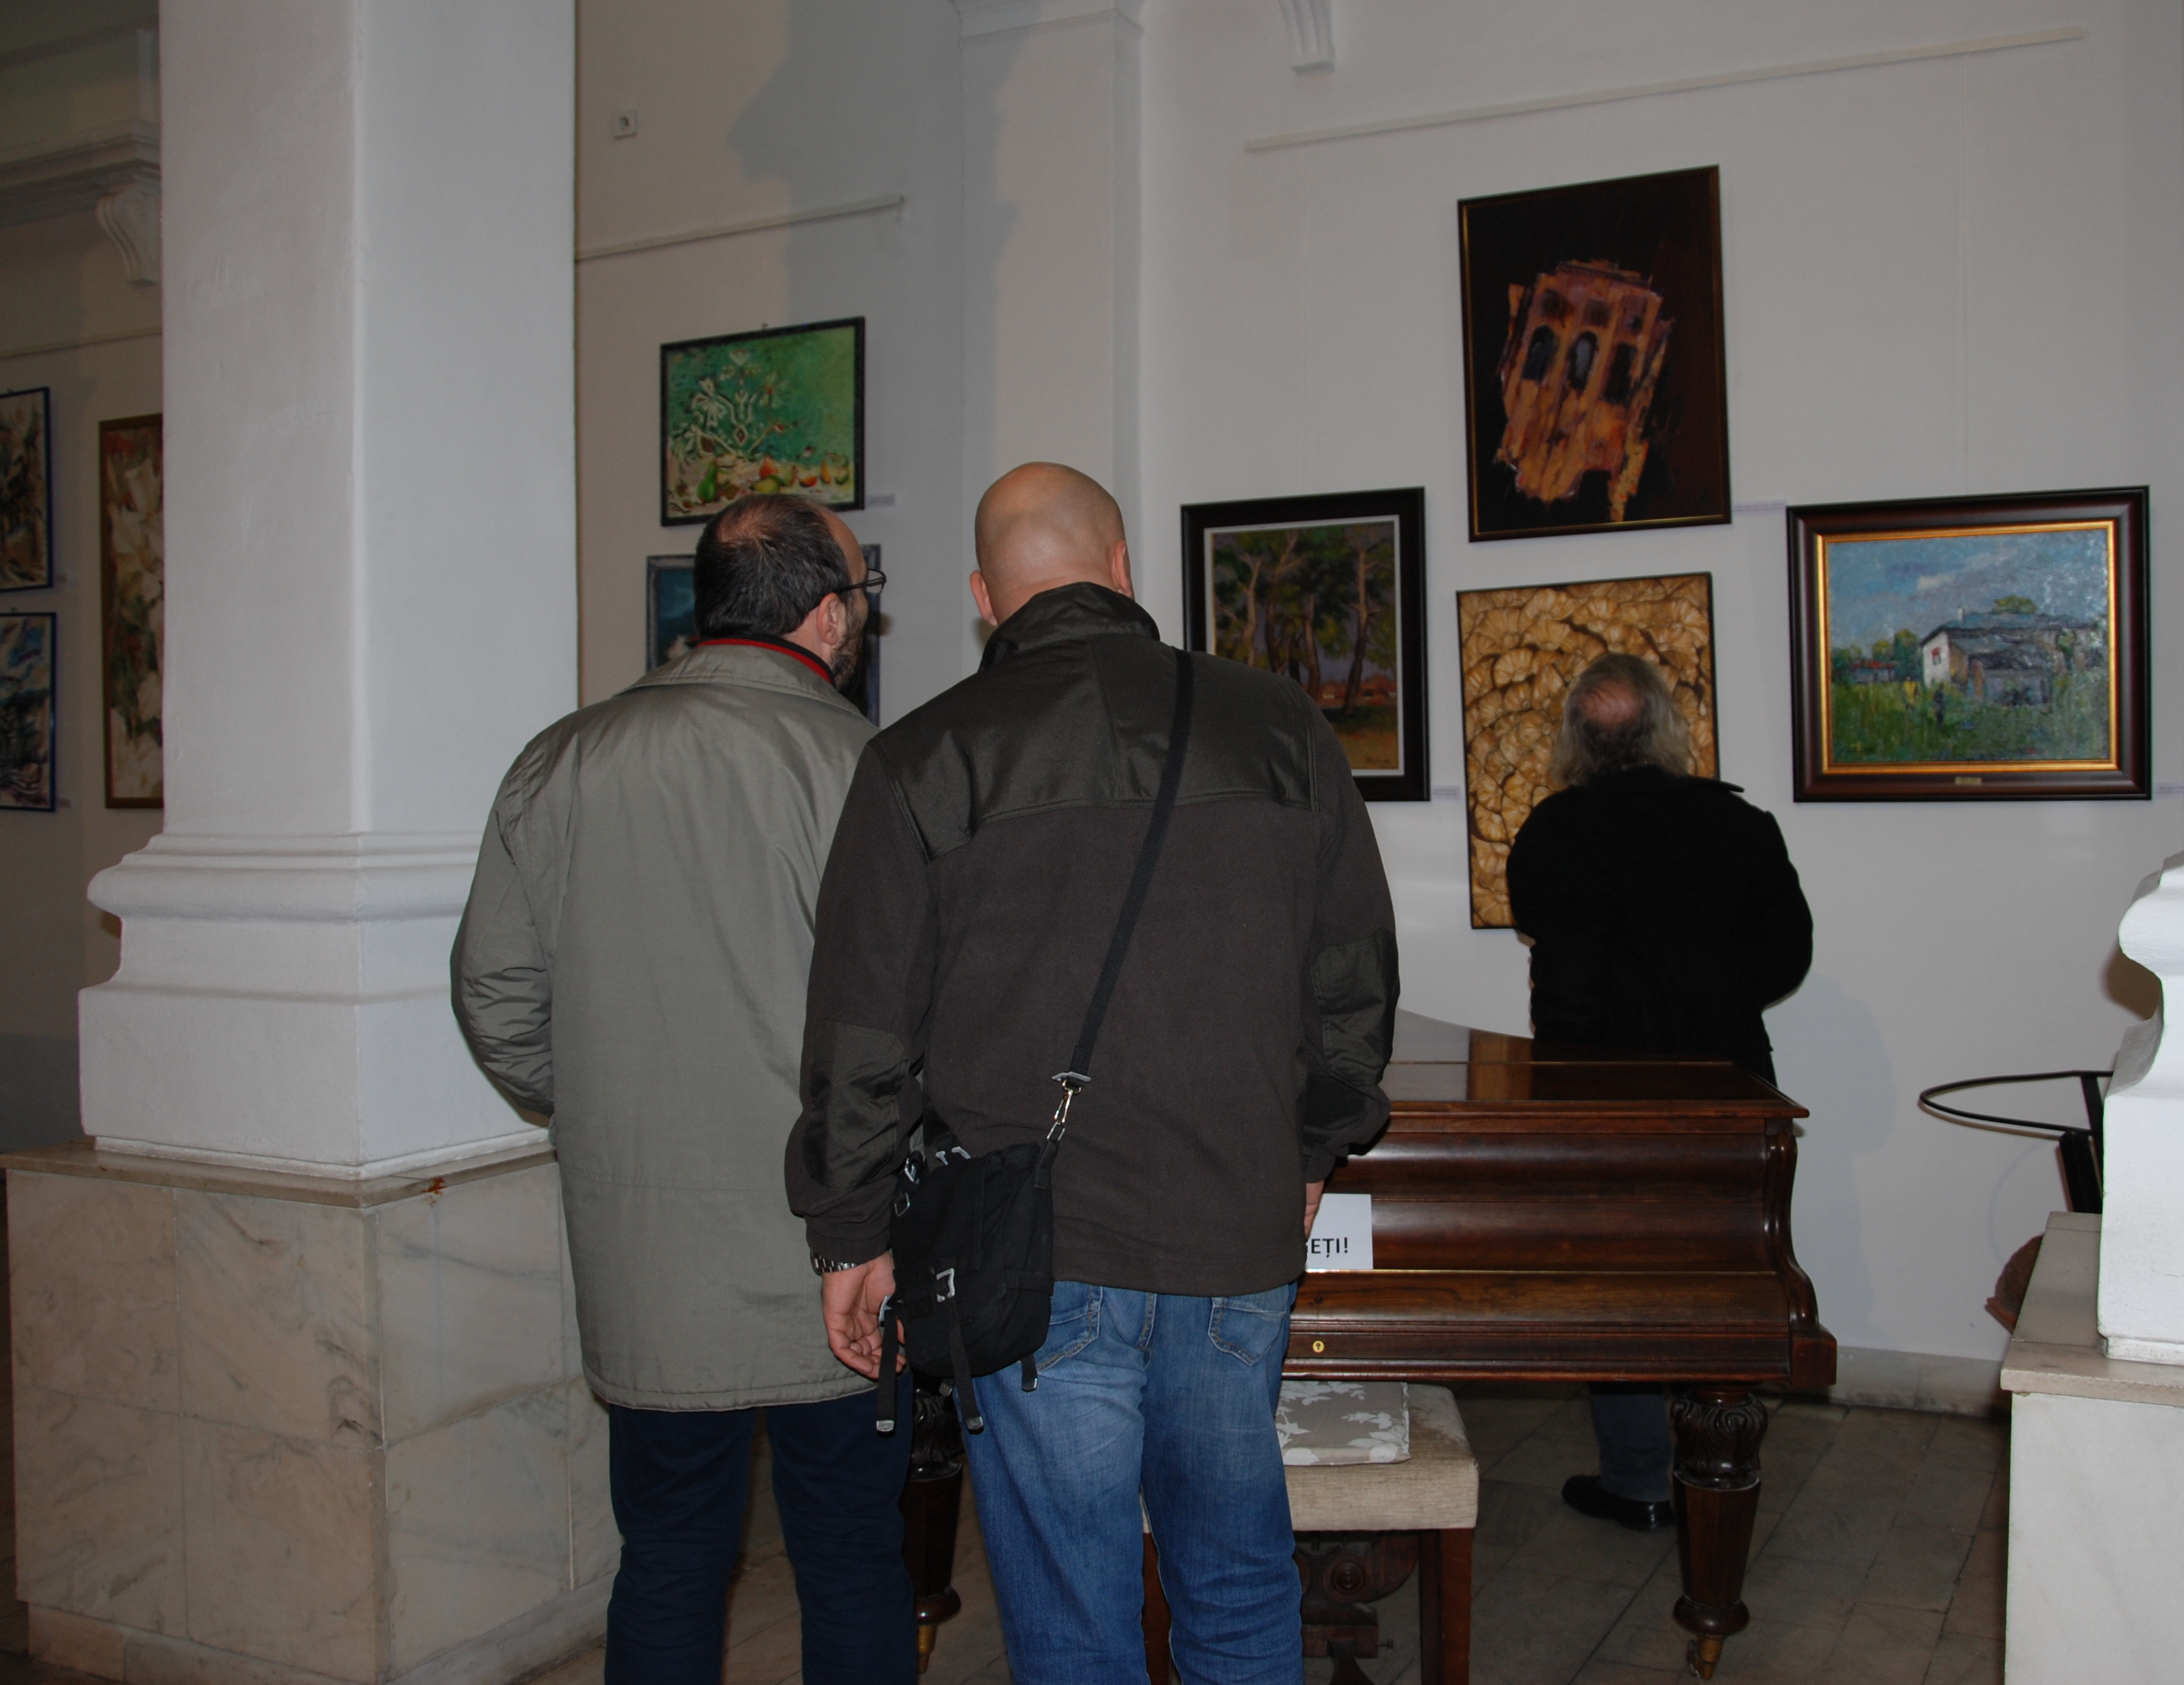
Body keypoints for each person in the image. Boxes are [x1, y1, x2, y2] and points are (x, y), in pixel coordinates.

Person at [787, 462, 1399, 1683]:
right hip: (1235, 1226)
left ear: (983, 597)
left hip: (1035, 1252)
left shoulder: (921, 757)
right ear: (1122, 567)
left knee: (1075, 1612)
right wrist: (1314, 1149)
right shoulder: (1281, 726)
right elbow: (1351, 982)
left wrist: (849, 1232)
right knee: (1238, 1577)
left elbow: (864, 1034)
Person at [452, 494, 912, 1685]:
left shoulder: (562, 761)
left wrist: (604, 1103)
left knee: (665, 1559)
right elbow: (928, 1021)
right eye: (862, 595)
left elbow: (495, 995)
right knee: (854, 1556)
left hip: (648, 1249)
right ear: (827, 616)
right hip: (842, 1250)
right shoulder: (870, 770)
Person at [1504, 652, 1812, 1532]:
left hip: (1602, 1087)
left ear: (1576, 739)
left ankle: (1640, 1479)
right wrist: (1712, 997)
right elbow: (1787, 954)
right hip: (1726, 1081)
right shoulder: (1739, 825)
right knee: (1724, 1273)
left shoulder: (1555, 831)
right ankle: (1719, 1465)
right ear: (1667, 729)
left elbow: (1554, 952)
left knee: (1619, 1284)